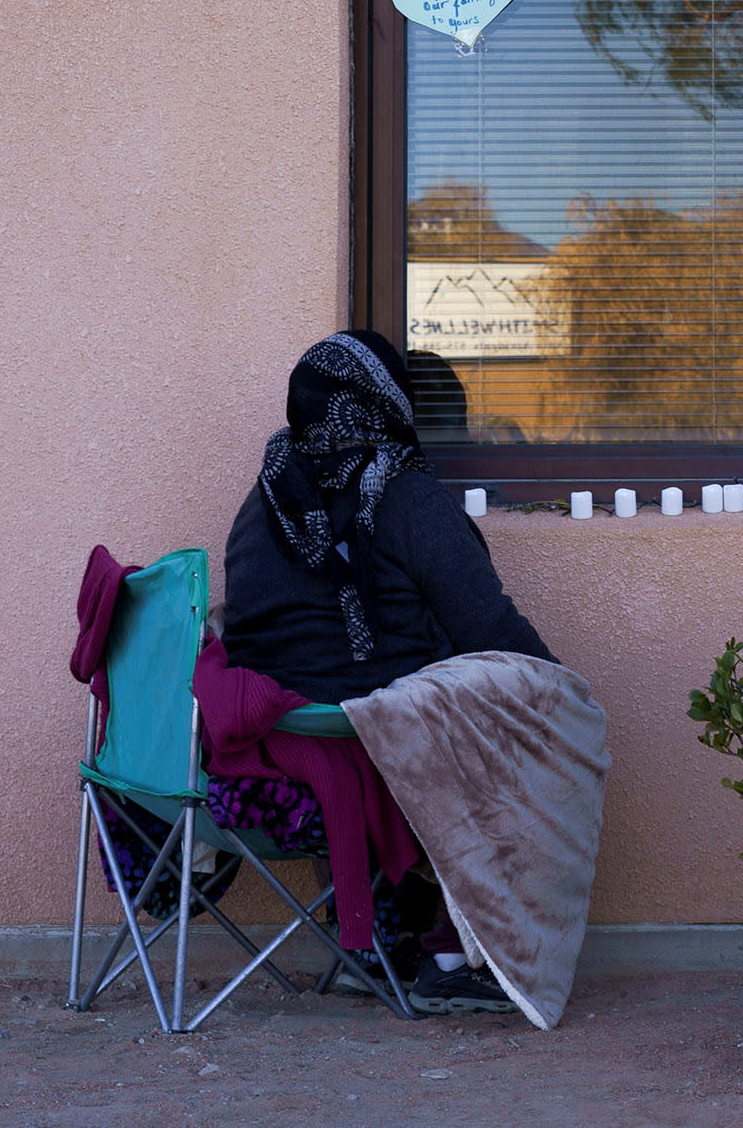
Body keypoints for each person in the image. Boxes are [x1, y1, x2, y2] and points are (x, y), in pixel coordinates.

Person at [224, 329, 557, 1015]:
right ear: (384, 403)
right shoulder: (405, 497)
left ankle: (370, 936)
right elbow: (491, 631)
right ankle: (458, 951)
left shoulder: (260, 506)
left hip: (279, 759)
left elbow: (249, 641)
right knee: (520, 710)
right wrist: (565, 694)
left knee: (352, 714)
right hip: (388, 755)